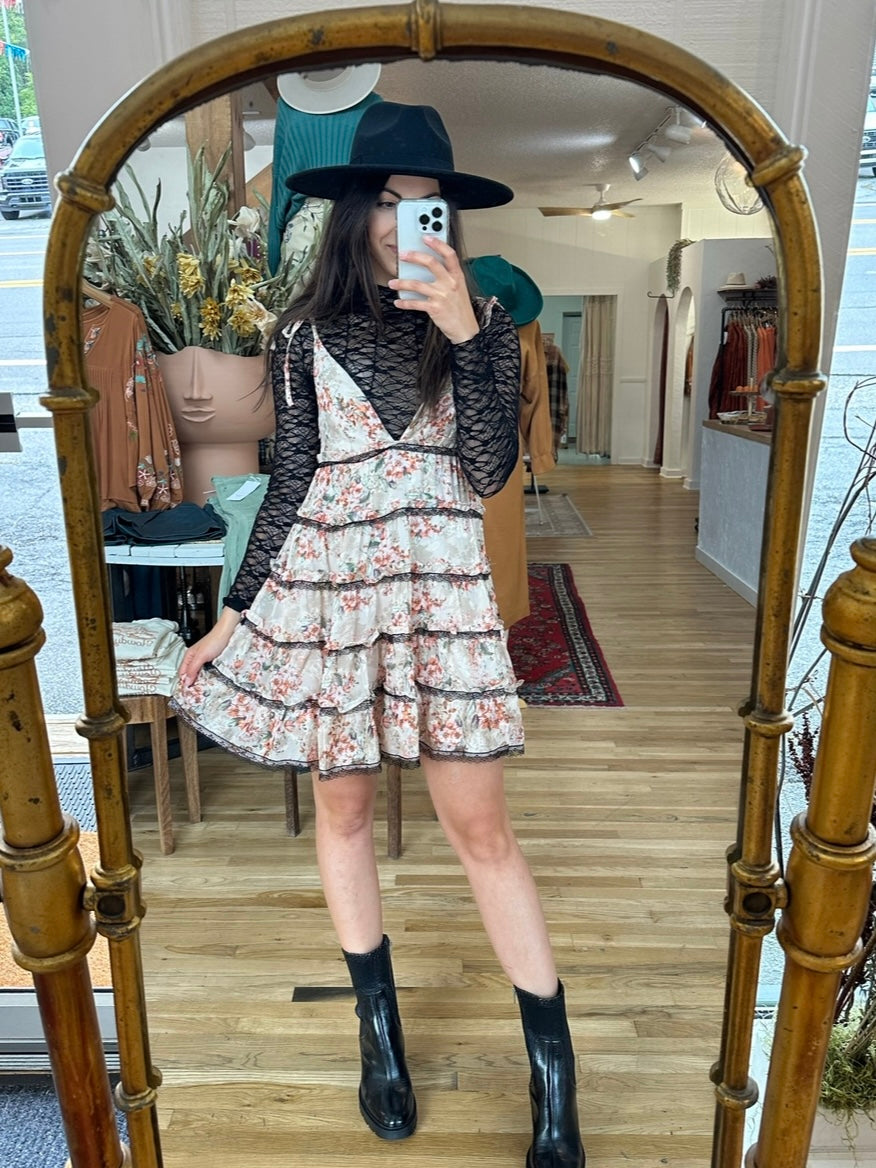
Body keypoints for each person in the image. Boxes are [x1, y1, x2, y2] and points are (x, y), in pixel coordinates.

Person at [171, 101, 585, 1168]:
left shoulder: (482, 326)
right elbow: (290, 485)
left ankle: (555, 1079)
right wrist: (232, 616)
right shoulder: (299, 336)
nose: (408, 223)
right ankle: (380, 1036)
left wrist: (467, 334)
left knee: (481, 830)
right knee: (344, 812)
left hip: (443, 596)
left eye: (428, 206)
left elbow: (490, 471)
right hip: (335, 594)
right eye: (392, 203)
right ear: (356, 212)